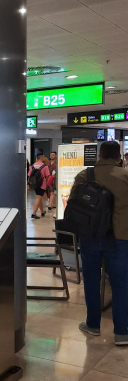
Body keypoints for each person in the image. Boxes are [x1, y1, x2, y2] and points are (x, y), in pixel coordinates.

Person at [69, 141, 128, 346]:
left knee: (92, 280)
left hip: (90, 236)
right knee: (121, 284)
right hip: (120, 237)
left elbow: (73, 204)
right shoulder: (126, 176)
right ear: (119, 157)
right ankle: (121, 332)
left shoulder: (85, 175)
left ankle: (93, 324)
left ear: (100, 156)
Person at [28, 154, 50, 219]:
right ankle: (34, 213)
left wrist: (29, 186)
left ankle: (42, 212)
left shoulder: (32, 166)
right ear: (41, 158)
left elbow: (29, 176)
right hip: (41, 184)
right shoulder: (45, 166)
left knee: (39, 197)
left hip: (34, 184)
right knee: (38, 198)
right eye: (43, 157)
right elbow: (47, 176)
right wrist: (47, 185)